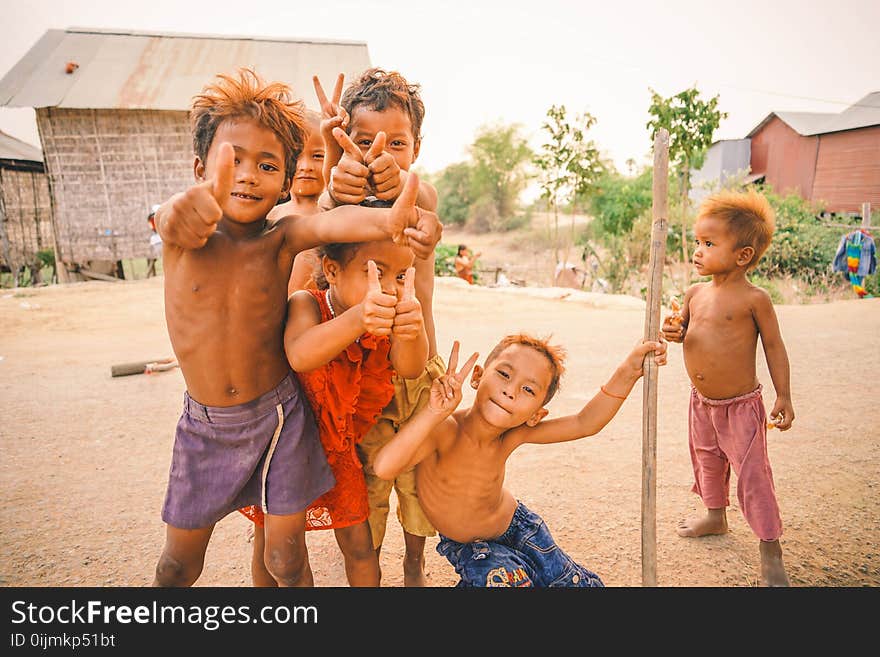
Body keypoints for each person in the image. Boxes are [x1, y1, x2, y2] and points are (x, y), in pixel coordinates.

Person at [149, 67, 441, 587]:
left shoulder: (281, 237)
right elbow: (171, 216)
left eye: (265, 165)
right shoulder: (184, 236)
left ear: (284, 182)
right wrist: (178, 209)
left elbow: (333, 223)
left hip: (280, 417)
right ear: (199, 167)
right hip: (206, 426)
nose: (245, 175)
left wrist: (401, 218)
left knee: (285, 557)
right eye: (231, 160)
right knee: (177, 566)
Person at [372, 334, 668, 587]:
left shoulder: (511, 435)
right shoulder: (444, 430)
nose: (510, 391)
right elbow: (385, 466)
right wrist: (434, 413)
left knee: (571, 583)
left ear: (536, 415)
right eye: (504, 374)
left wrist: (629, 370)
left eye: (528, 389)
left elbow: (584, 422)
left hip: (522, 529)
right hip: (472, 547)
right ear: (477, 376)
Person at [316, 68, 444, 586]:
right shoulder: (341, 199)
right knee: (367, 485)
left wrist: (405, 189)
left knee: (417, 483)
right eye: (364, 140)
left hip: (416, 373)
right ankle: (370, 567)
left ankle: (414, 562)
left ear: (417, 147)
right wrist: (332, 173)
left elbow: (426, 203)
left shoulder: (421, 196)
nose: (379, 153)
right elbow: (323, 216)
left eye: (397, 142)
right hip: (361, 378)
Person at [241, 239, 428, 586]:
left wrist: (412, 329)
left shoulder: (388, 319)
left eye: (400, 275)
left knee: (359, 545)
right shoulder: (307, 303)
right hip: (285, 449)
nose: (389, 287)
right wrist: (361, 317)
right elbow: (301, 354)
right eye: (375, 272)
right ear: (332, 270)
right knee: (278, 550)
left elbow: (412, 367)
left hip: (338, 451)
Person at [660, 188, 794, 587]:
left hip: (741, 407)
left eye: (708, 243)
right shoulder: (694, 293)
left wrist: (783, 395)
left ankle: (770, 545)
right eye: (698, 242)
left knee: (753, 474)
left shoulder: (756, 299)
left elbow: (773, 346)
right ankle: (715, 517)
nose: (697, 251)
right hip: (701, 403)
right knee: (707, 460)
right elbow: (683, 333)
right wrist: (673, 331)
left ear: (743, 256)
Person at [267, 110, 325, 295]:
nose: (305, 166)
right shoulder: (271, 215)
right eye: (296, 156)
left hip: (319, 318)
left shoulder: (333, 214)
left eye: (317, 156)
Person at [146, 204, 163, 277]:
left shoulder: (150, 218)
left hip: (157, 239)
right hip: (159, 239)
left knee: (156, 258)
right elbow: (153, 228)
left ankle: (148, 274)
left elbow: (152, 228)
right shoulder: (153, 218)